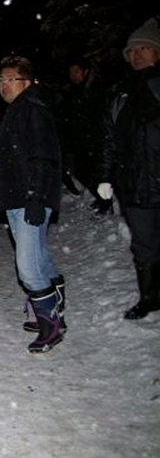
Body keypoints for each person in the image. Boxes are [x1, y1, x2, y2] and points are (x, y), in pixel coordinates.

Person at [0, 56, 65, 353]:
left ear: (27, 82)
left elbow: (42, 155)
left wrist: (36, 197)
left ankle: (52, 326)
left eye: (10, 79)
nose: (3, 86)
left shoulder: (32, 109)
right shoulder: (19, 110)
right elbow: (18, 154)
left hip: (28, 198)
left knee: (27, 266)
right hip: (17, 197)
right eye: (0, 80)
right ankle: (52, 311)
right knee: (39, 256)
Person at [98, 17, 160, 320]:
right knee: (144, 245)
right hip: (135, 183)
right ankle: (150, 297)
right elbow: (109, 139)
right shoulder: (120, 93)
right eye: (132, 51)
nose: (137, 55)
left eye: (144, 48)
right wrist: (105, 177)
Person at [62, 57, 111, 213]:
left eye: (76, 71)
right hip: (81, 141)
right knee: (82, 171)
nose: (73, 75)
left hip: (95, 140)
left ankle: (106, 202)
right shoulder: (72, 91)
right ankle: (101, 199)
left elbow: (99, 116)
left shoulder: (96, 89)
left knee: (96, 172)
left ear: (86, 72)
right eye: (71, 72)